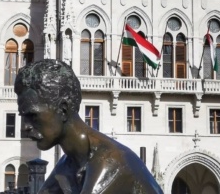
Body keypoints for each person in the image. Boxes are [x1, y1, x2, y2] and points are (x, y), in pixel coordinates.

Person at [15, 59, 164, 194]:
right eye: (23, 117)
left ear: (63, 110)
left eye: (32, 116)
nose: (25, 127)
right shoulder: (68, 163)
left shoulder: (110, 162)